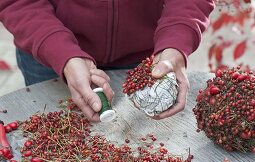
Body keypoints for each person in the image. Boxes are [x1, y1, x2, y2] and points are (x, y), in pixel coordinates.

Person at [0, 0, 215, 122]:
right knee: (50, 125)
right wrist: (58, 50)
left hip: (145, 55)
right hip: (49, 48)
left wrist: (177, 38)